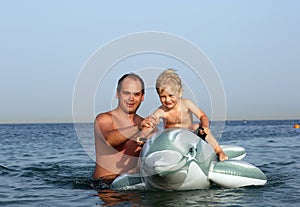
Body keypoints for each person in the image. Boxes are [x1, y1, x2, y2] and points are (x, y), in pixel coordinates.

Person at [139, 69, 228, 161]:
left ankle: (219, 151)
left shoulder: (187, 104)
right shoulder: (162, 110)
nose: (167, 100)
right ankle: (142, 163)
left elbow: (203, 116)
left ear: (180, 92)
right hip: (172, 140)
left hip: (190, 135)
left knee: (197, 126)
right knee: (153, 132)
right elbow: (150, 123)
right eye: (163, 96)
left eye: (171, 95)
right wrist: (142, 136)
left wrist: (205, 127)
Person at [93, 73, 155, 186]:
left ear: (142, 97)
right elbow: (109, 140)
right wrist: (138, 127)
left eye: (136, 94)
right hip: (106, 187)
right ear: (118, 94)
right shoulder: (104, 119)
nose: (131, 98)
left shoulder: (149, 127)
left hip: (135, 188)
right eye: (126, 93)